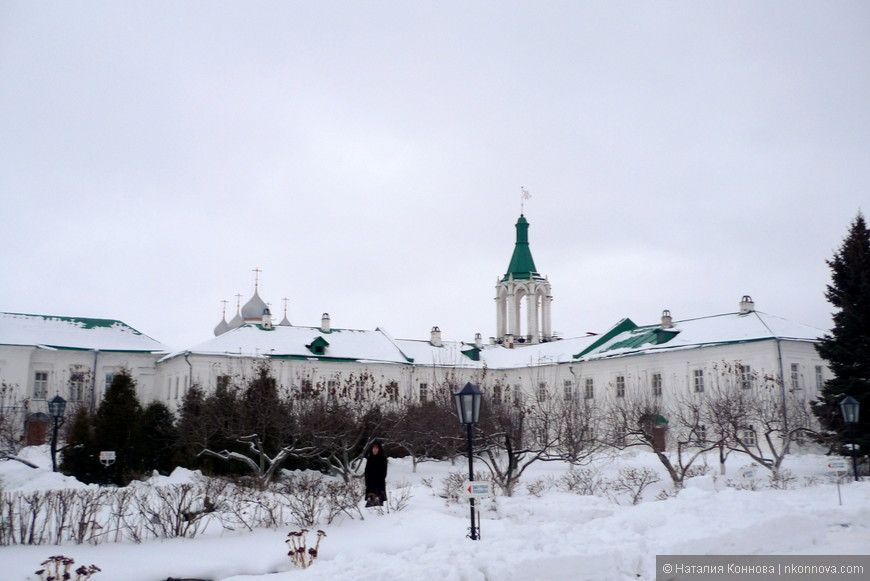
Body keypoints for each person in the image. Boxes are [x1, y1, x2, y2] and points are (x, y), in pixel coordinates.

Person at [364, 441, 388, 507]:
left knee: (379, 506)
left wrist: (377, 483)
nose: (375, 450)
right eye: (373, 448)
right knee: (369, 506)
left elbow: (383, 473)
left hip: (379, 485)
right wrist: (367, 482)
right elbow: (366, 472)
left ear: (379, 449)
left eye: (376, 448)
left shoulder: (383, 459)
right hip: (370, 485)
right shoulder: (369, 459)